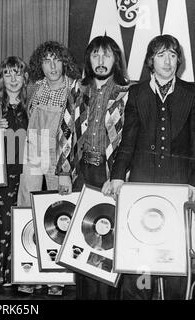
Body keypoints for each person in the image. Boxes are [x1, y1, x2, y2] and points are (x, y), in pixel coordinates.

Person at [104, 34, 195, 300]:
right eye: (161, 55)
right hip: (143, 186)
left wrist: (193, 183)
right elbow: (128, 141)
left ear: (179, 60)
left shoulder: (192, 93)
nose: (168, 61)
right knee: (140, 261)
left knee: (176, 260)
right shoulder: (138, 92)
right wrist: (118, 176)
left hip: (180, 188)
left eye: (173, 55)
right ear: (150, 61)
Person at [55, 35, 130, 300]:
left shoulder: (126, 92)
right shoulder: (78, 88)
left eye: (106, 55)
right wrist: (64, 172)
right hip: (82, 172)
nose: (100, 61)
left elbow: (130, 140)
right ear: (89, 59)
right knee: (82, 236)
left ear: (115, 60)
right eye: (95, 55)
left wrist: (120, 177)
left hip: (110, 175)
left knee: (107, 240)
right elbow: (65, 130)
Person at [16, 41, 80, 295]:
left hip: (60, 154)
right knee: (25, 207)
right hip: (34, 150)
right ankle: (28, 273)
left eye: (56, 60)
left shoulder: (74, 88)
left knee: (59, 212)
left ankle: (58, 277)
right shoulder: (34, 87)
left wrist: (66, 166)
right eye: (46, 61)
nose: (52, 67)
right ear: (39, 64)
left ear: (64, 62)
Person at [0, 56, 29, 288]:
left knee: (16, 221)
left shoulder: (31, 104)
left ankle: (12, 272)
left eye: (17, 73)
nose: (13, 79)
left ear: (24, 77)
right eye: (7, 73)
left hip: (23, 172)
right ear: (1, 77)